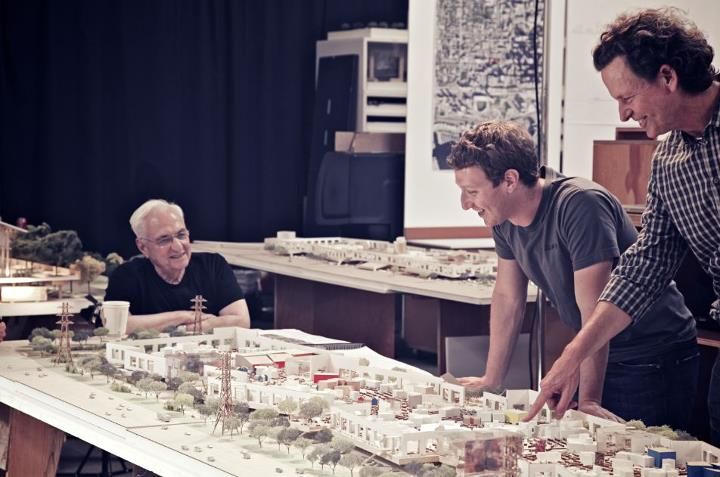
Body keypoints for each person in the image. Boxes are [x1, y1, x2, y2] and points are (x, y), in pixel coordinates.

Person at [526, 8, 719, 441]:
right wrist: (573, 356)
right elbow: (643, 267)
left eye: (627, 98)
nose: (624, 114)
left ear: (667, 77)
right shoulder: (669, 161)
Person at [449, 120, 697, 429]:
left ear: (510, 180)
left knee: (634, 450)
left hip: (649, 354)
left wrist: (590, 399)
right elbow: (508, 297)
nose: (465, 204)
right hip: (593, 351)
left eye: (472, 192)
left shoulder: (580, 204)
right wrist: (492, 380)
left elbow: (593, 307)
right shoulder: (503, 219)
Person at [104, 199, 251, 334]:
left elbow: (242, 322)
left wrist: (179, 328)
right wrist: (184, 316)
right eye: (164, 240)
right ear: (143, 247)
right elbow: (115, 325)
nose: (178, 247)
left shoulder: (213, 265)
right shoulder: (126, 276)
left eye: (181, 235)